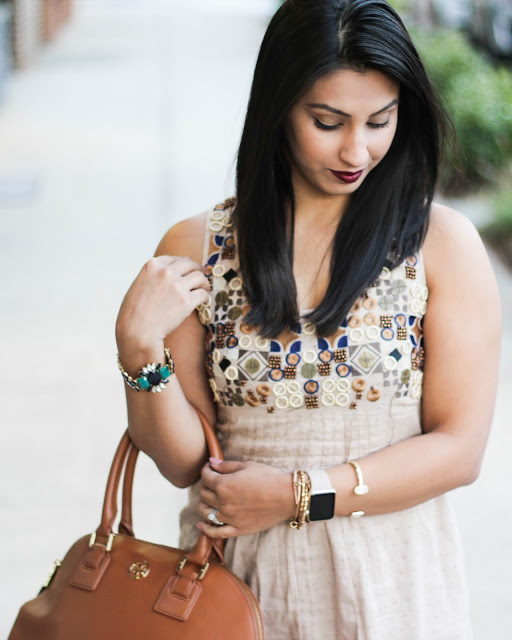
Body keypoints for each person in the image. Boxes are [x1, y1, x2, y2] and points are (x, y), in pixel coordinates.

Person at [115, 1, 501, 638]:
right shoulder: (198, 246)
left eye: (381, 120)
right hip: (240, 591)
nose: (358, 148)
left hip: (396, 586)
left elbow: (460, 448)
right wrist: (138, 353)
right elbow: (185, 462)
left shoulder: (440, 245)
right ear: (279, 109)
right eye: (328, 121)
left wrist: (300, 493)